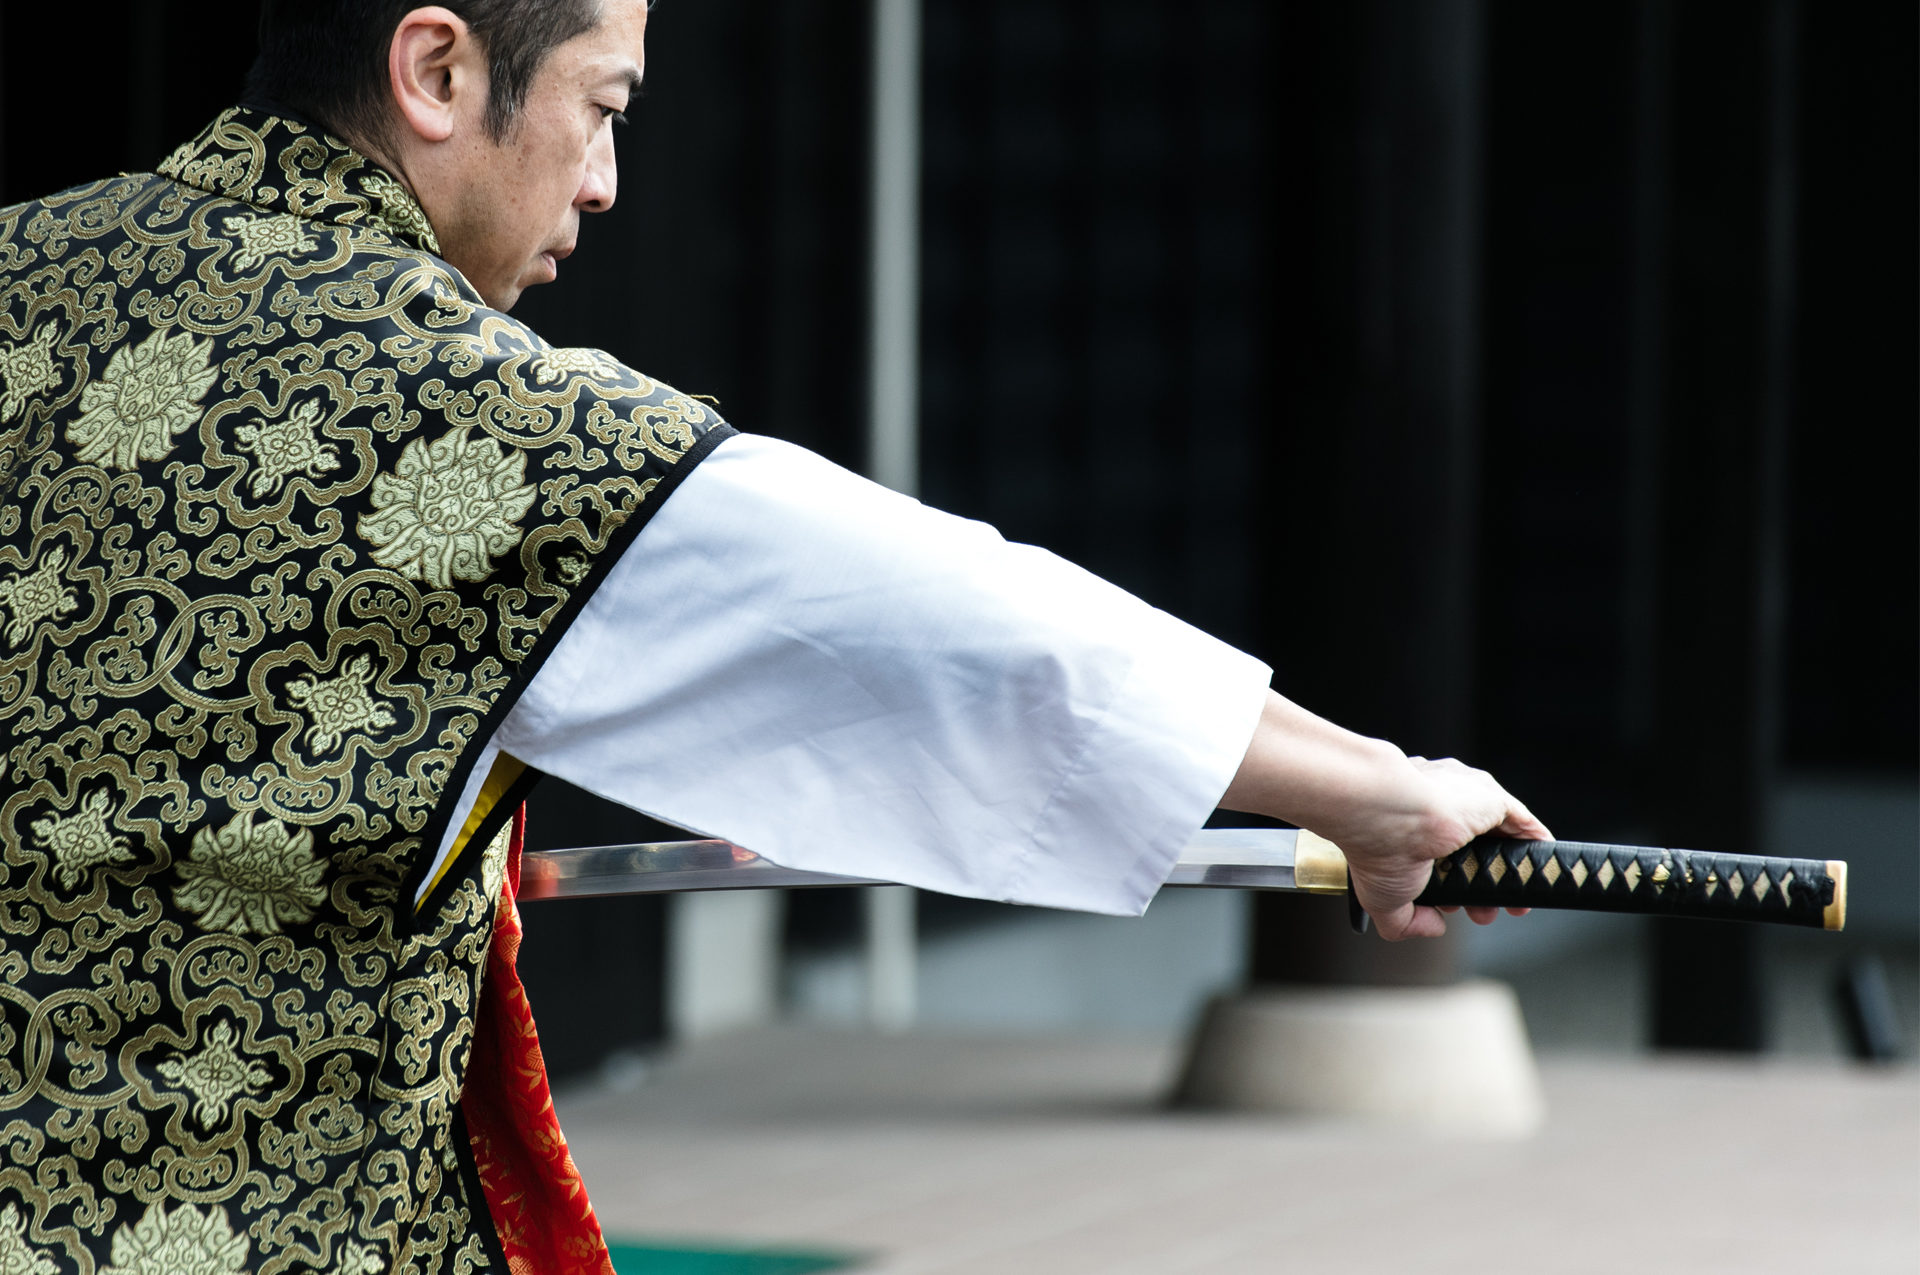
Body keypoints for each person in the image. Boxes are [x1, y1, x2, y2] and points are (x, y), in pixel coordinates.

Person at [0, 2, 1545, 1272]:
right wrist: (1371, 789)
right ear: (437, 70)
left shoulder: (23, 272)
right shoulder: (473, 421)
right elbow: (935, 622)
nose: (605, 180)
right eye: (603, 106)